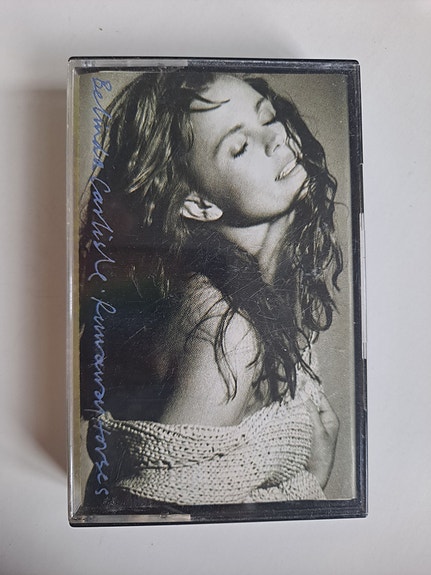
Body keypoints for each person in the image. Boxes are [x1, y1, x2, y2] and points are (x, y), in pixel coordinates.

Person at [80, 70, 342, 509]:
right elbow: (145, 517)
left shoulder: (255, 292)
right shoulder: (225, 330)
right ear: (199, 205)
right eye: (239, 147)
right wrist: (312, 482)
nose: (276, 138)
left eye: (268, 116)